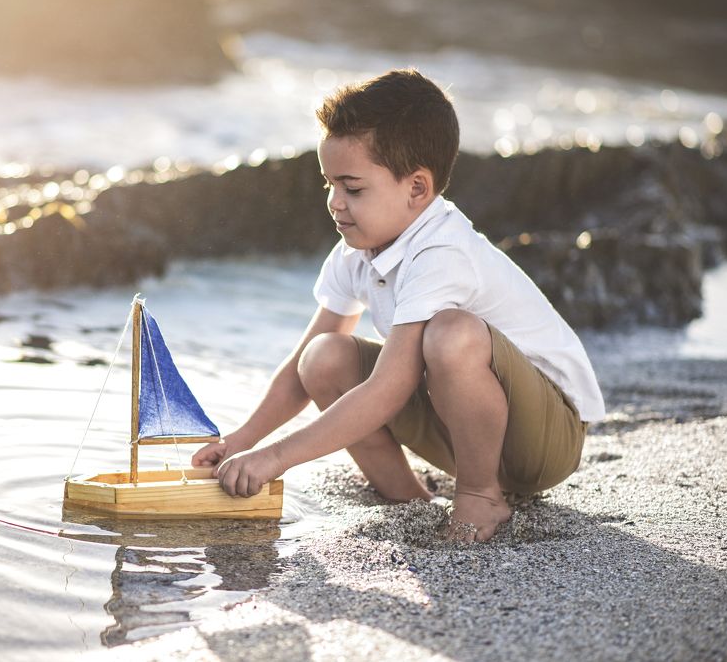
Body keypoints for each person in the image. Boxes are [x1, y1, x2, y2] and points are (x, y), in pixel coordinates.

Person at [192, 69, 605, 542]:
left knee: (451, 334)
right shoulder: (357, 251)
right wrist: (241, 441)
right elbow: (299, 374)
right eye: (328, 184)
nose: (334, 202)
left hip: (543, 441)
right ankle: (404, 494)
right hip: (461, 430)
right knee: (323, 355)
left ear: (416, 189)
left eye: (353, 187)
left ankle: (481, 496)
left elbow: (389, 388)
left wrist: (276, 458)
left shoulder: (441, 252)